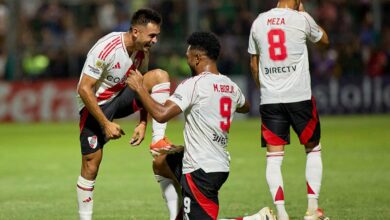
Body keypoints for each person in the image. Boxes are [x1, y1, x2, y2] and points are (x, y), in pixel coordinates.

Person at [127, 31, 274, 220]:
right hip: (218, 163)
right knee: (160, 162)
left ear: (197, 58)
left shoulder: (194, 85)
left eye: (188, 56)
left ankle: (256, 219)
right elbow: (245, 106)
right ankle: (177, 215)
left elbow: (162, 115)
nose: (187, 60)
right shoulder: (230, 85)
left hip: (200, 171)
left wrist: (140, 88)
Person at [75, 8, 180, 220]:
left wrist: (143, 122)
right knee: (91, 164)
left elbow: (143, 89)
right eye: (152, 35)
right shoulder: (107, 49)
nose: (155, 40)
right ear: (135, 32)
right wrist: (105, 124)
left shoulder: (143, 51)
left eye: (157, 36)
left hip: (121, 97)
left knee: (159, 76)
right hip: (96, 104)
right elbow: (84, 89)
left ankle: (158, 140)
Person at [248, 1, 330, 220]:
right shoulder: (302, 18)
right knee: (313, 149)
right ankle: (313, 210)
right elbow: (324, 41)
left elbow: (254, 65)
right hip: (299, 97)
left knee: (273, 158)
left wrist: (266, 89)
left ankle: (282, 214)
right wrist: (305, 13)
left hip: (271, 100)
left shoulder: (259, 21)